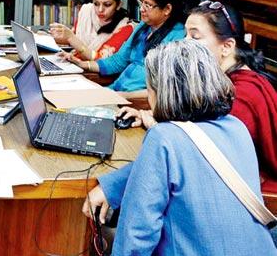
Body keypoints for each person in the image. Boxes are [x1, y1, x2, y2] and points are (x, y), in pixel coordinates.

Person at [82, 40, 276, 255]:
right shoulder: (235, 127)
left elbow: (137, 233)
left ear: (160, 91)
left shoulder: (163, 138)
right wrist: (111, 187)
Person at [120, 1, 277, 192]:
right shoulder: (218, 82)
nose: (184, 43)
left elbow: (199, 156)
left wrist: (156, 126)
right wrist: (151, 116)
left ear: (227, 46)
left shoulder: (241, 95)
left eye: (194, 36)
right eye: (185, 35)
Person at [65, 0, 186, 98]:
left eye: (148, 5)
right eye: (141, 2)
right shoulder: (143, 27)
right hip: (117, 90)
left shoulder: (178, 38)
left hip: (135, 100)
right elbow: (118, 61)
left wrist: (122, 96)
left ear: (167, 9)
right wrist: (83, 65)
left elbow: (164, 90)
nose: (141, 9)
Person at [49, 0, 133, 60]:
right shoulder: (87, 12)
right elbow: (73, 37)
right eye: (96, 4)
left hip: (98, 71)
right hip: (75, 61)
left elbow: (102, 59)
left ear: (118, 5)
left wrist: (70, 37)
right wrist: (50, 36)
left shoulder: (125, 27)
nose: (100, 10)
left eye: (107, 5)